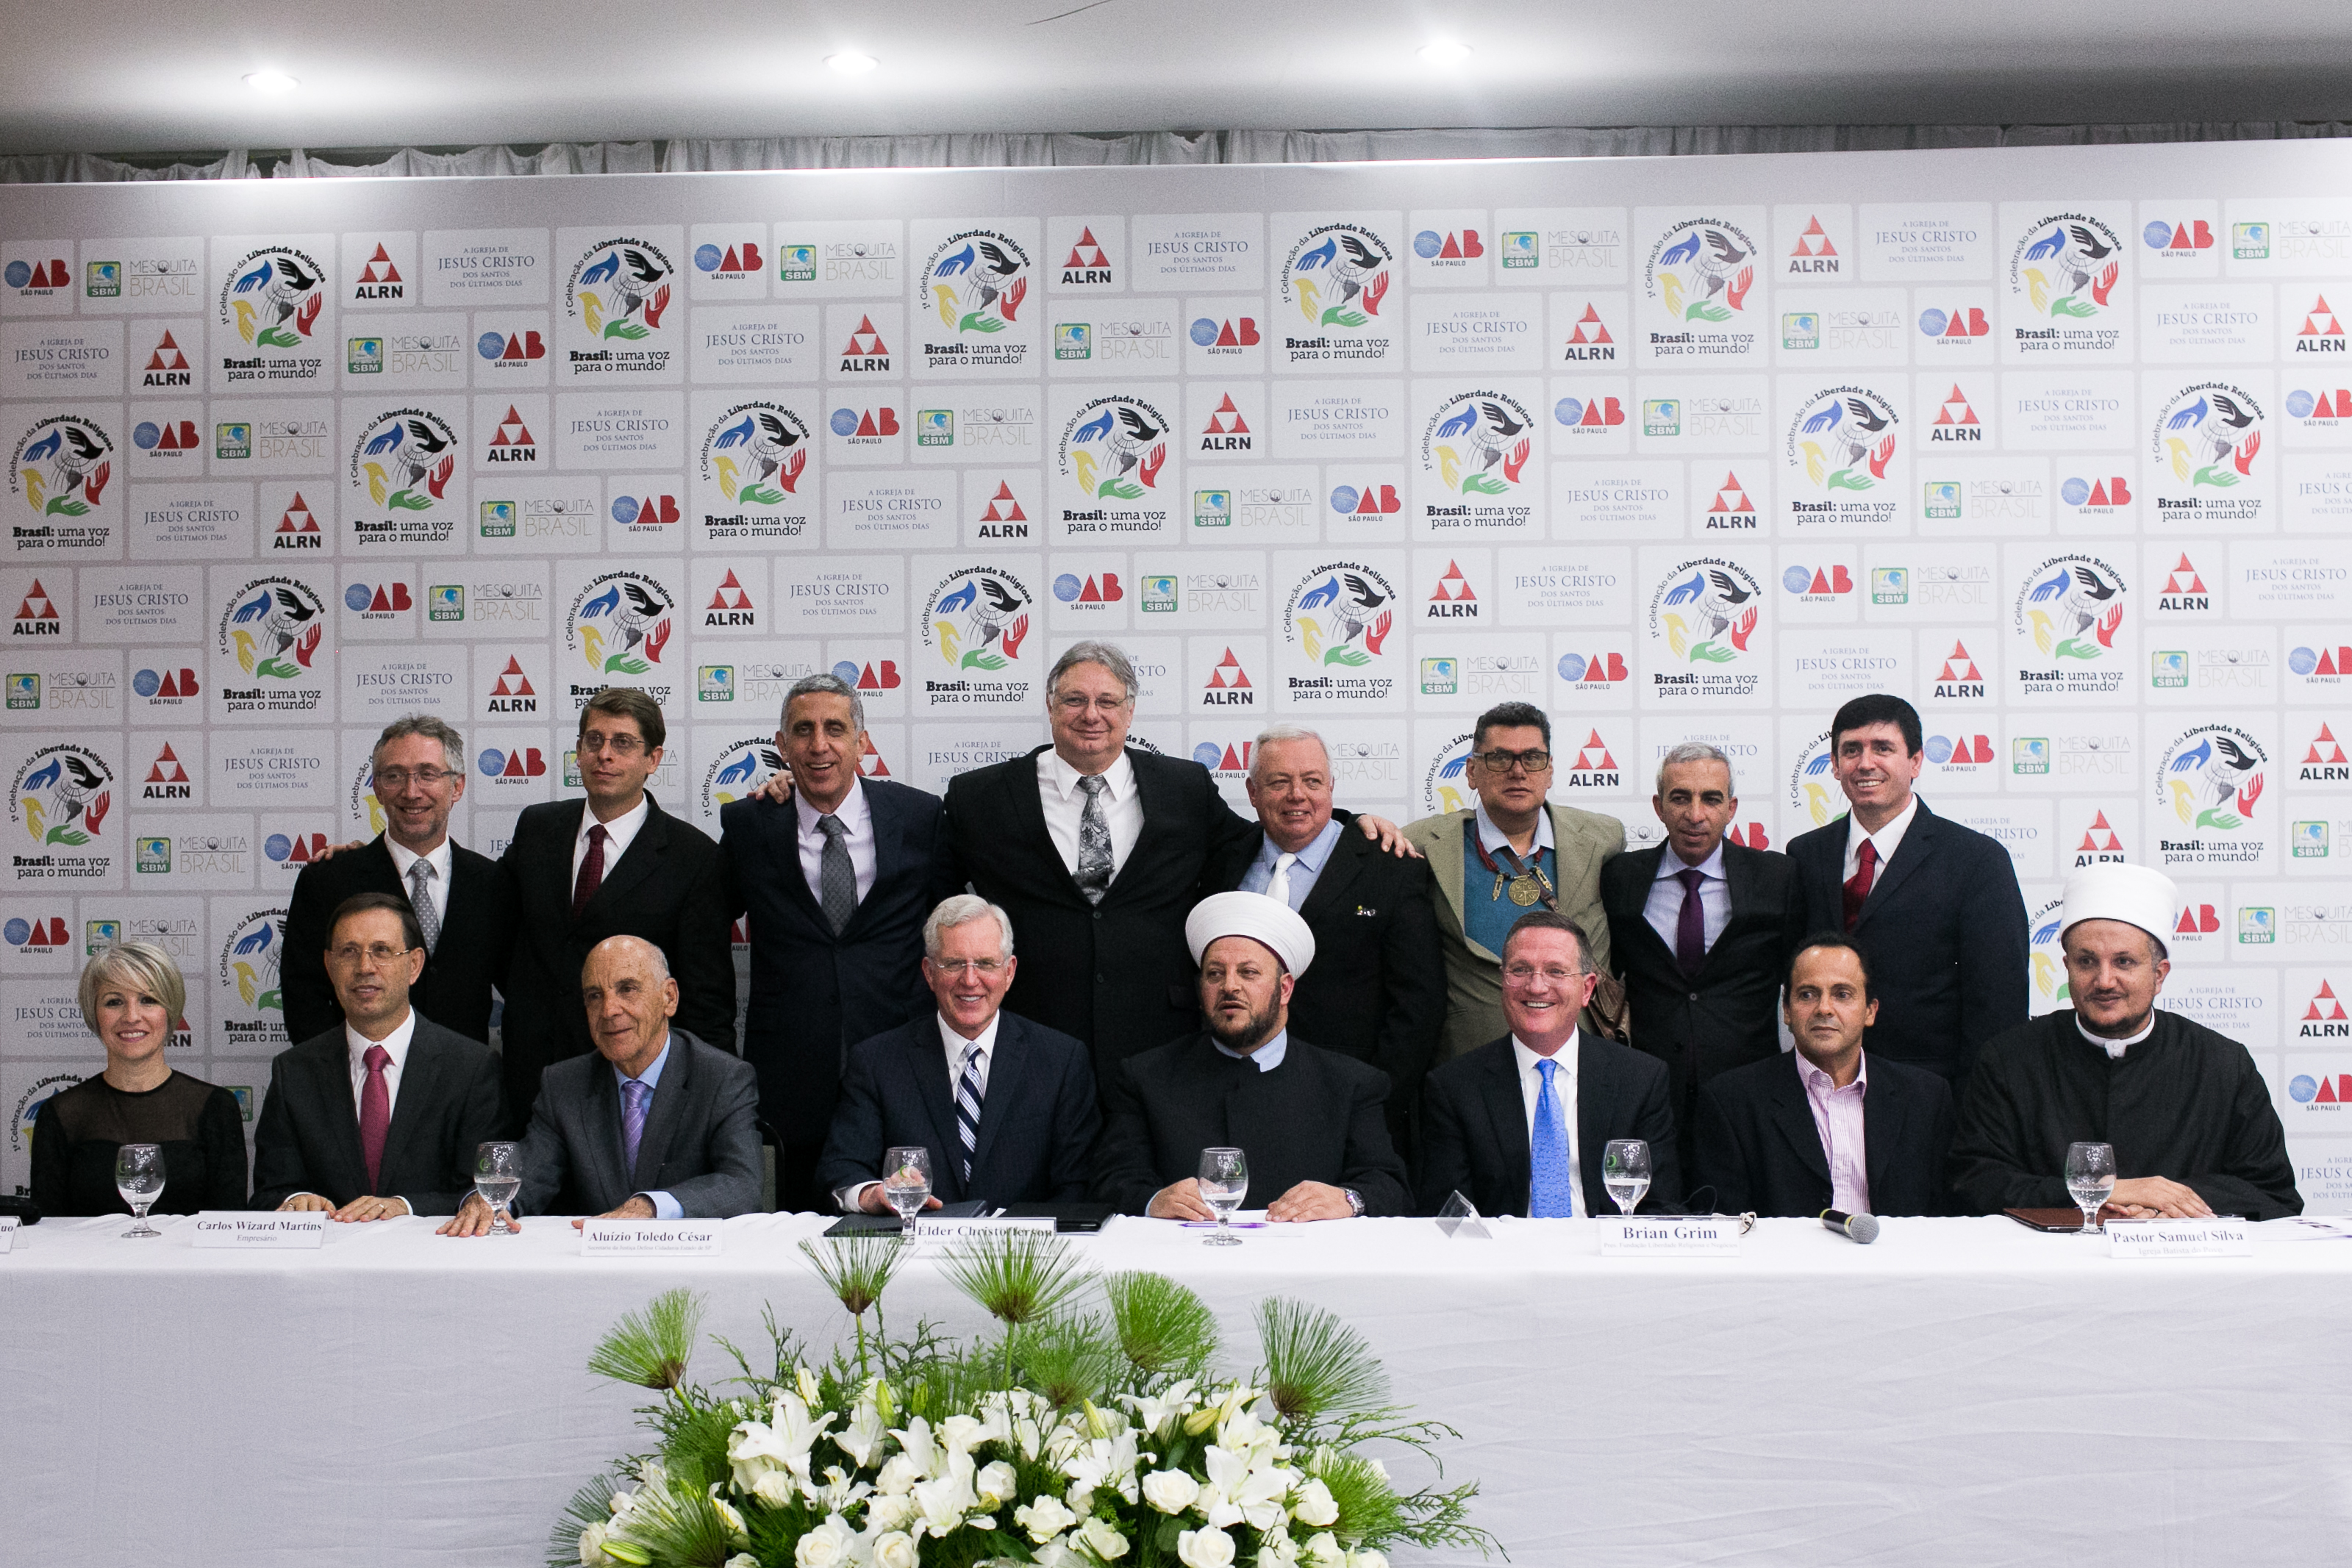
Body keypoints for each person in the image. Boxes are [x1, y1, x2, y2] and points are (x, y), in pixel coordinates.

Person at [934, 640, 1410, 1087]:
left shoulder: (1183, 787)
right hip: (1031, 1037)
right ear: (1050, 705)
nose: (1092, 714)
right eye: (1075, 700)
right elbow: (937, 903)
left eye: (1108, 701)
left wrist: (1347, 826)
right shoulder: (980, 797)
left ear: (1130, 710)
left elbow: (1261, 836)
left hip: (1160, 1043)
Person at [722, 673, 957, 1212]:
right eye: (802, 730)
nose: (818, 744)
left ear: (861, 741)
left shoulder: (920, 817)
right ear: (782, 746)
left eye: (835, 728)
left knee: (911, 1215)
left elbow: (948, 925)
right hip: (790, 1069)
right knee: (797, 1229)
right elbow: (705, 935)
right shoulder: (749, 824)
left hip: (903, 1060)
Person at [1951, 864, 2301, 1221]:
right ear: (2067, 967)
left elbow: (2272, 1193)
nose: (2104, 981)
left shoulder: (2223, 1065)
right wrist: (2107, 1191)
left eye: (2124, 962)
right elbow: (1976, 1183)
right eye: (2087, 961)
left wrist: (2172, 1206)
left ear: (2159, 975)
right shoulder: (2009, 1059)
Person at [498, 687, 734, 1135]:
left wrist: (709, 1112)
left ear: (653, 758)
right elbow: (497, 932)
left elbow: (706, 1001)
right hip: (530, 1082)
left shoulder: (693, 858)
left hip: (633, 1092)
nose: (604, 754)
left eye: (622, 743)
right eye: (594, 740)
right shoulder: (537, 828)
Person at [1091, 891, 1411, 1220]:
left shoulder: (1349, 1083)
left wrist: (1349, 1200)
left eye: (1248, 972)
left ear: (1284, 989)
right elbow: (1113, 1182)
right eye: (1215, 974)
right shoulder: (1147, 1076)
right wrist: (1154, 1201)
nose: (1229, 986)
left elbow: (1389, 1187)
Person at [1207, 723, 1445, 1157]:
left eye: (1312, 781)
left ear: (1332, 787)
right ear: (1252, 792)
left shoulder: (1391, 868)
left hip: (1348, 1102)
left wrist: (1374, 1098)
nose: (1297, 795)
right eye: (1279, 782)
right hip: (1232, 1094)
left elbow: (1418, 1005)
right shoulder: (1222, 860)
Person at [1784, 693, 2027, 1089]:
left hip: (1931, 1095)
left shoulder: (1976, 860)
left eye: (1883, 748)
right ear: (1835, 765)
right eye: (1851, 750)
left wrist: (1975, 1106)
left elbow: (1998, 1002)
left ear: (1916, 762)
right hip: (1820, 1090)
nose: (1865, 763)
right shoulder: (1806, 854)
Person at [439, 936, 761, 1233]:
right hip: (593, 1265)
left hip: (688, 1264)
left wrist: (651, 1207)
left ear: (669, 997)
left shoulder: (721, 1078)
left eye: (628, 989)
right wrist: (488, 1202)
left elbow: (743, 1183)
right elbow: (533, 1171)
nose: (609, 1010)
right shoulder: (565, 1084)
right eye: (595, 996)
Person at [815, 895, 1098, 1214]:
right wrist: (872, 1195)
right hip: (913, 1242)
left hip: (1022, 1244)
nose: (970, 980)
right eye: (953, 964)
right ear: (929, 973)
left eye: (985, 964)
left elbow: (1078, 1184)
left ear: (1009, 972)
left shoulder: (1061, 1061)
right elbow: (841, 1170)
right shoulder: (876, 1062)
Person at [1601, 742, 1804, 1177]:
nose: (1695, 814)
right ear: (1658, 807)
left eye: (1711, 799)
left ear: (1731, 808)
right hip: (1650, 1095)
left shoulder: (1777, 878)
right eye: (1680, 798)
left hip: (1749, 1094)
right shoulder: (1620, 877)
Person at [251, 893, 503, 1217]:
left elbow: (481, 1195)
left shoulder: (470, 1068)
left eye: (382, 951)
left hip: (428, 1248)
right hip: (330, 1248)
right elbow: (269, 1192)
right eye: (349, 952)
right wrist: (296, 1199)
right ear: (329, 965)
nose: (364, 967)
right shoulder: (294, 1072)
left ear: (414, 965)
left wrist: (405, 1207)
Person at [1417, 911, 1681, 1217]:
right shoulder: (1455, 1088)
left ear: (1587, 989)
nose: (1537, 986)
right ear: (1503, 980)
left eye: (1556, 971)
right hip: (1503, 1248)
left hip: (1604, 1247)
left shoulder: (1640, 1079)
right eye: (1520, 970)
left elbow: (1660, 1209)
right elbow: (1448, 1217)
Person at [1404, 701, 1624, 1058]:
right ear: (1472, 771)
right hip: (1470, 1060)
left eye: (1533, 758)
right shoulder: (1423, 846)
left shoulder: (1602, 839)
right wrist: (1362, 822)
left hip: (1581, 1060)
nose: (1518, 771)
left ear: (1550, 771)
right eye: (1500, 758)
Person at [281, 715, 511, 1045]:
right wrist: (343, 1071)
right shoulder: (327, 881)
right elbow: (304, 998)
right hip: (362, 1073)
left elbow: (523, 988)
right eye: (394, 776)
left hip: (465, 1074)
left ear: (457, 786)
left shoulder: (494, 883)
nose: (411, 792)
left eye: (428, 774)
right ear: (376, 788)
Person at [1692, 935, 1956, 1218]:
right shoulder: (1732, 1102)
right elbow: (1726, 1227)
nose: (1824, 1008)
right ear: (1786, 1010)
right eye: (1808, 995)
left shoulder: (1926, 1098)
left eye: (1842, 994)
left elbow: (1945, 1220)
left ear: (1870, 1011)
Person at [29, 942, 246, 1217]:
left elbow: (226, 1227)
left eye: (148, 1000)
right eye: (114, 1002)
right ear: (94, 1014)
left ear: (170, 1010)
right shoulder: (61, 1113)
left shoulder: (215, 1107)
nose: (132, 1016)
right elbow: (47, 1231)